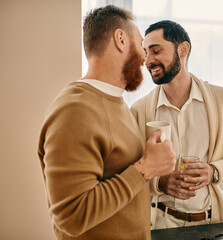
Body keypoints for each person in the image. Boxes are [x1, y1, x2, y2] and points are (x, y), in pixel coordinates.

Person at [37, 6, 176, 240]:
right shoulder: (75, 110)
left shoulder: (116, 101)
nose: (145, 58)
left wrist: (155, 172)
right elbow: (72, 217)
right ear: (120, 39)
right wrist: (145, 168)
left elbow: (120, 175)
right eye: (141, 46)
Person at [130, 20, 223, 229]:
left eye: (156, 51)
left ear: (183, 50)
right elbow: (128, 170)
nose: (148, 61)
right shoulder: (138, 110)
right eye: (145, 53)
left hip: (211, 223)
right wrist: (159, 183)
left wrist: (214, 171)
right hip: (159, 226)